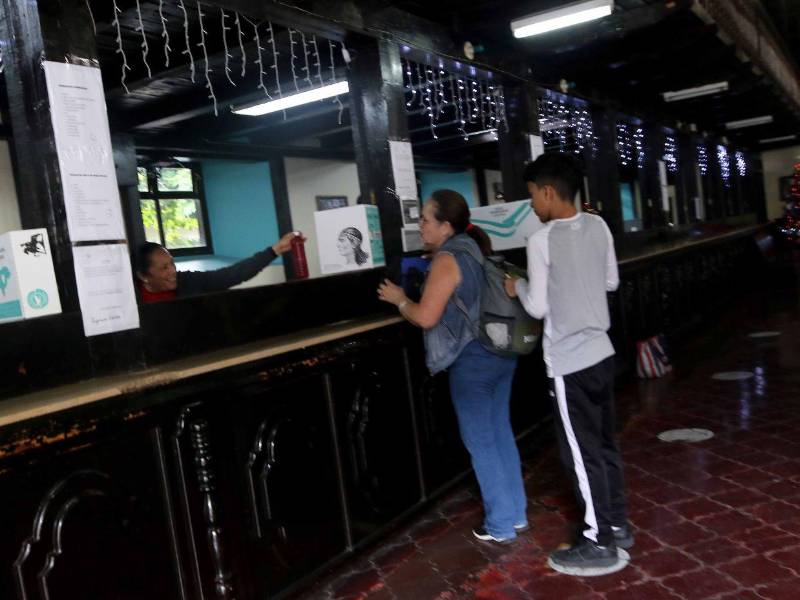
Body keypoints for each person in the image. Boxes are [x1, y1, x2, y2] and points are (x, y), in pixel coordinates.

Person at [377, 189, 527, 545]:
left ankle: (500, 524)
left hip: (473, 361)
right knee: (500, 432)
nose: (421, 225)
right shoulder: (473, 247)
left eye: (426, 219)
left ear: (445, 226)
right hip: (499, 352)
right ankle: (516, 513)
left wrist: (400, 301)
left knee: (481, 441)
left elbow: (427, 316)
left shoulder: (447, 259)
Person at [505, 153, 632, 572]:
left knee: (581, 454)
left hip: (569, 364)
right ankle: (616, 525)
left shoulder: (541, 241)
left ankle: (599, 542)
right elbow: (611, 281)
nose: (532, 207)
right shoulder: (598, 225)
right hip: (603, 355)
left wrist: (518, 285)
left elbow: (538, 308)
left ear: (547, 192)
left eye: (531, 198)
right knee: (606, 445)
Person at [135, 231, 305, 303]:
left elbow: (232, 275)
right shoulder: (132, 300)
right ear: (144, 276)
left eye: (172, 263)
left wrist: (275, 250)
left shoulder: (189, 281)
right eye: (164, 268)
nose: (173, 270)